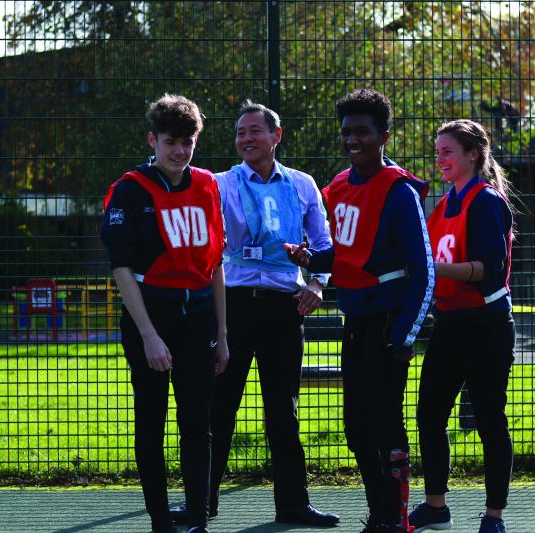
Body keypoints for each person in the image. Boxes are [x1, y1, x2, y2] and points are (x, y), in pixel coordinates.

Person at [170, 100, 339, 527]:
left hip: (286, 309)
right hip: (233, 307)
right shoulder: (219, 184)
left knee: (284, 409)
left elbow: (324, 245)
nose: (246, 139)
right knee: (218, 407)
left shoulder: (302, 184)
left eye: (254, 131)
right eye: (240, 132)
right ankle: (200, 504)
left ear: (276, 136)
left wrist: (317, 284)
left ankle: (294, 505)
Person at [285, 88, 435, 533]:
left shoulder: (400, 191)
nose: (353, 139)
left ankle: (394, 518)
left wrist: (405, 336)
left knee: (385, 423)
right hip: (356, 322)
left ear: (384, 135)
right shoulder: (340, 186)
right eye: (347, 131)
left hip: (389, 325)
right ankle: (380, 512)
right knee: (355, 426)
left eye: (363, 132)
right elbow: (347, 254)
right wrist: (312, 259)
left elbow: (424, 272)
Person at [100, 94, 228, 533]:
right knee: (151, 419)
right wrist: (150, 335)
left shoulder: (208, 185)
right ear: (153, 140)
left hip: (200, 320)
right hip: (150, 317)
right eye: (171, 140)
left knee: (198, 421)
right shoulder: (129, 190)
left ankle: (197, 519)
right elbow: (121, 268)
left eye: (188, 141)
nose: (179, 150)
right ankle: (160, 520)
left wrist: (223, 333)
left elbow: (215, 264)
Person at [408, 119, 515, 533]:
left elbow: (489, 272)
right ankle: (436, 505)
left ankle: (494, 515)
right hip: (449, 325)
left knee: (490, 418)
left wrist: (435, 270)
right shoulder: (441, 207)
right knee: (429, 413)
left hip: (486, 326)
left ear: (473, 155)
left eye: (447, 151)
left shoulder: (487, 202)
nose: (440, 159)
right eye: (437, 152)